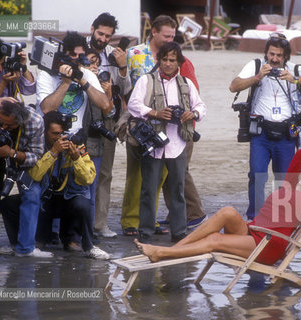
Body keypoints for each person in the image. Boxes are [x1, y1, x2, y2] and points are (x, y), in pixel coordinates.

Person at [133, 132, 301, 264]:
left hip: (269, 244)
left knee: (214, 240)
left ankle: (162, 253)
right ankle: (174, 249)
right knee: (227, 212)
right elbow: (300, 155)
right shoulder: (291, 184)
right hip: (255, 232)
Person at [122, 15, 206, 237]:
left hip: (177, 142)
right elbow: (133, 105)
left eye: (172, 60)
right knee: (148, 190)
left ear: (179, 62)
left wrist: (192, 113)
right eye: (165, 60)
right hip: (154, 143)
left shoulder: (186, 84)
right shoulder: (146, 81)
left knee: (177, 190)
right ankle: (146, 231)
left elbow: (201, 107)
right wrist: (155, 113)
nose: (168, 63)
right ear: (159, 60)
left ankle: (178, 233)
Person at [229, 32, 301, 220]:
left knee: (285, 180)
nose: (274, 59)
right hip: (261, 133)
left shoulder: (293, 68)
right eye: (271, 54)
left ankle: (281, 217)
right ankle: (254, 218)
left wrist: (295, 79)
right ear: (266, 53)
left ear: (285, 56)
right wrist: (257, 77)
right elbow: (234, 86)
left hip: (286, 135)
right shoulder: (256, 65)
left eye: (279, 56)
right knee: (257, 176)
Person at [26, 111, 110, 259]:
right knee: (10, 204)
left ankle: (87, 245)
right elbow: (35, 175)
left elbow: (89, 179)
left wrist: (76, 158)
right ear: (44, 132)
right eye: (54, 134)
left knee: (83, 203)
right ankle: (32, 240)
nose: (59, 138)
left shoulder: (76, 143)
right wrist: (53, 152)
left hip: (68, 196)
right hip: (47, 198)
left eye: (61, 133)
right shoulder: (39, 144)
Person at [0, 100, 52, 258]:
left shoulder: (35, 121)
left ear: (20, 122)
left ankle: (26, 248)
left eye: (9, 125)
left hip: (21, 162)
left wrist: (11, 153)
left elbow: (35, 156)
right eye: (1, 122)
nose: (3, 127)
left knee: (32, 195)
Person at [87, 13, 132, 238]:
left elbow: (125, 90)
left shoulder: (113, 56)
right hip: (81, 114)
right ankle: (70, 225)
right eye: (100, 33)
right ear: (92, 29)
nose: (103, 39)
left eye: (108, 36)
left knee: (104, 173)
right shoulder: (78, 50)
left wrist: (123, 68)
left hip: (107, 116)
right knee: (75, 171)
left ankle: (100, 223)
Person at [0, 37, 35, 104]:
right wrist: (4, 82)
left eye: (2, 63)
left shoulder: (8, 68)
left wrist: (23, 67)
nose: (0, 69)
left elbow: (30, 89)